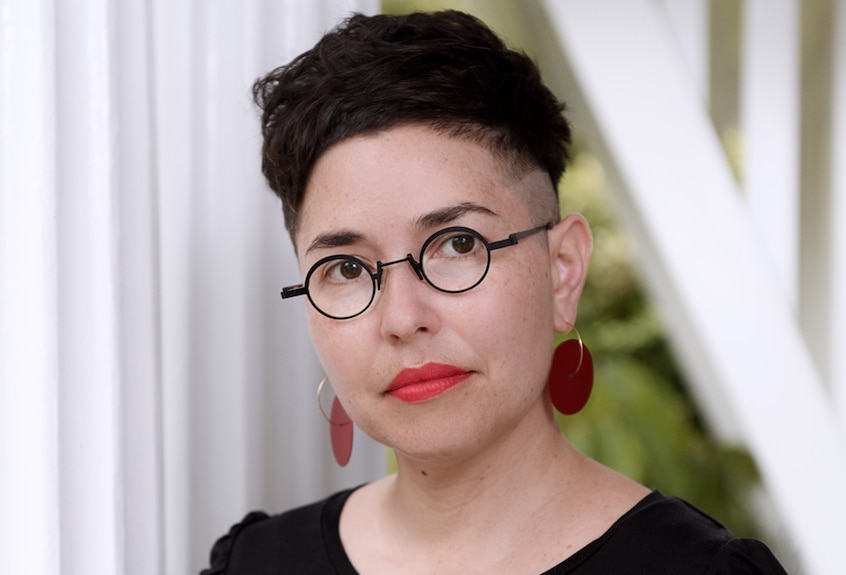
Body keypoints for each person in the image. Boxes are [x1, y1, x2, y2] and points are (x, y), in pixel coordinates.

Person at [202, 10, 788, 574]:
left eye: (457, 245)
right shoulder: (255, 563)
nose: (402, 317)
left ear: (562, 271)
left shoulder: (697, 570)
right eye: (348, 269)